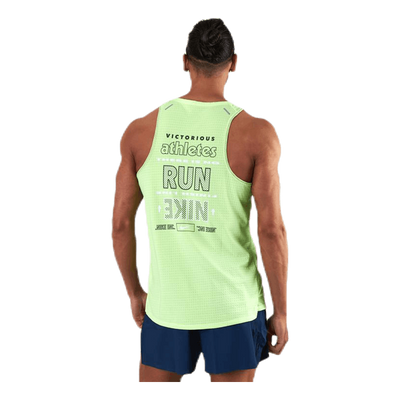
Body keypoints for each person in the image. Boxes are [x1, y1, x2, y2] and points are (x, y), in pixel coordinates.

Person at [112, 15, 290, 385]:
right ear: (235, 63)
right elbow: (271, 230)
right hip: (233, 306)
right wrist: (281, 311)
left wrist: (135, 293)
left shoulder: (140, 131)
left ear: (184, 62)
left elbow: (121, 224)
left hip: (167, 305)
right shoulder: (257, 133)